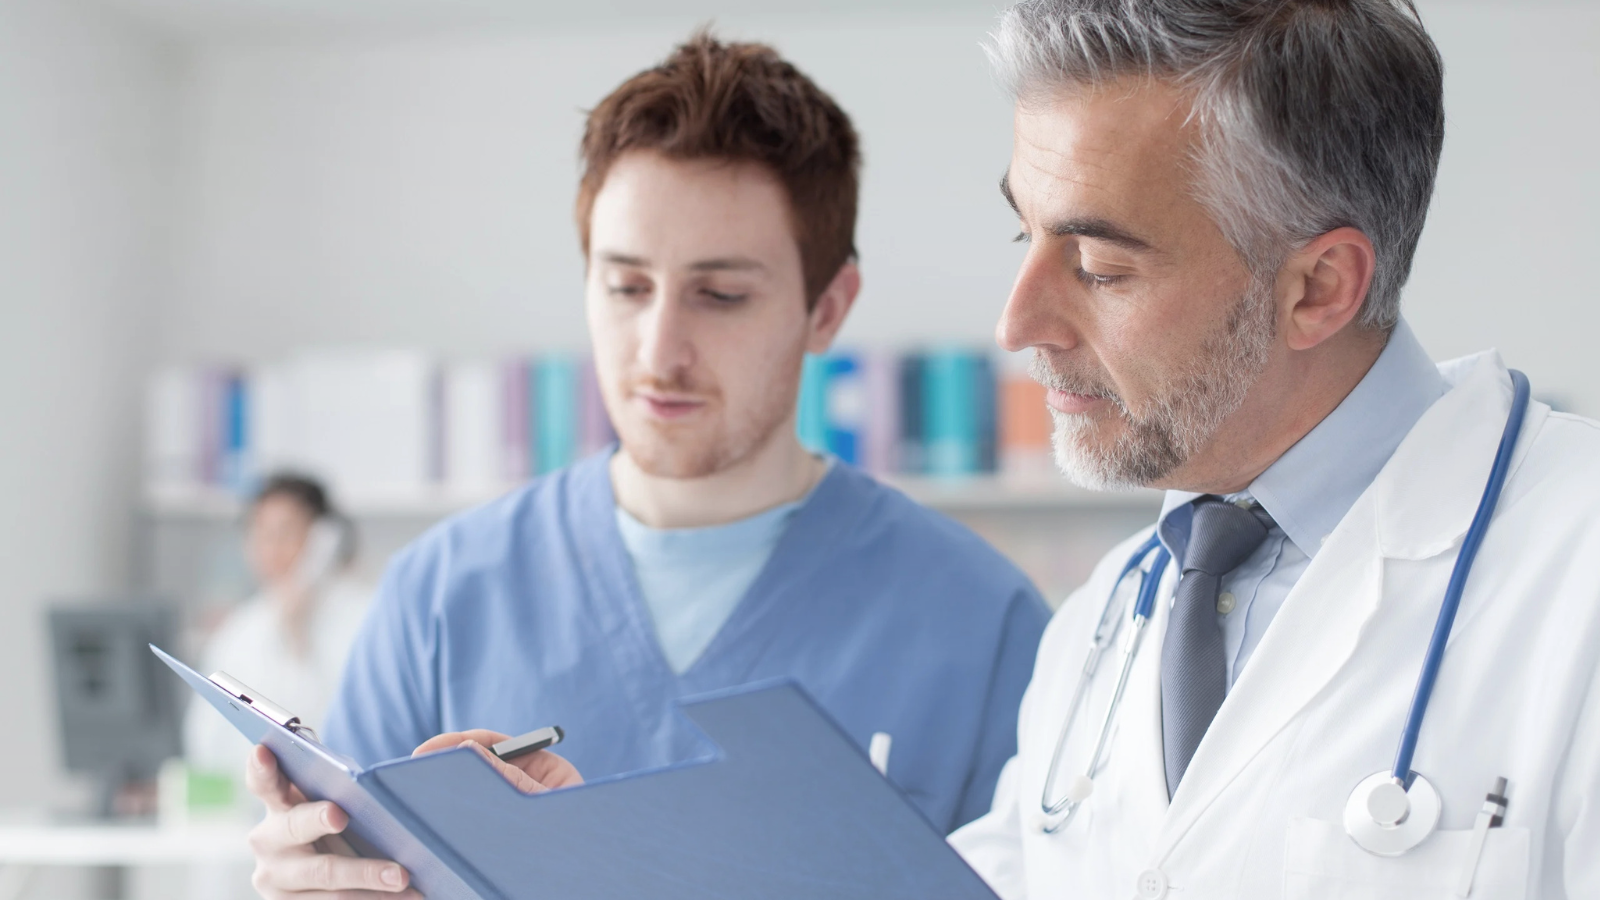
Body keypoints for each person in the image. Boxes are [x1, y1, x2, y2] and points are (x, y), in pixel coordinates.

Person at [243, 32, 1050, 898]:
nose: (660, 350)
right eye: (626, 287)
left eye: (722, 295)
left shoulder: (982, 624)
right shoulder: (439, 600)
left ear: (828, 309)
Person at [940, 1, 1600, 898]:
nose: (1017, 324)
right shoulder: (1101, 618)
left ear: (1318, 289)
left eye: (1099, 268)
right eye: (1027, 235)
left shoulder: (1577, 571)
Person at [184, 473, 369, 775]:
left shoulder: (364, 617)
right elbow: (204, 742)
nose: (270, 549)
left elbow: (339, 738)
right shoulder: (239, 628)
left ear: (325, 539)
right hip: (248, 809)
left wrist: (297, 638)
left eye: (285, 533)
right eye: (260, 533)